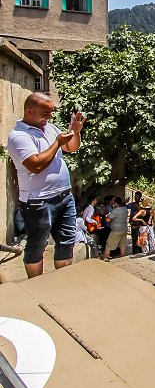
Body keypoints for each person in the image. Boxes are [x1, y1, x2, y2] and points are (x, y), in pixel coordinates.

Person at [6, 91, 85, 278]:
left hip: (64, 196)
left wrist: (76, 132)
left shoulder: (49, 128)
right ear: (29, 111)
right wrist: (57, 143)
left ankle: (62, 281)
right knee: (36, 246)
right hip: (38, 201)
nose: (49, 118)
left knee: (67, 243)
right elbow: (36, 165)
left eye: (51, 113)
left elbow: (72, 147)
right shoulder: (19, 136)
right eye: (45, 113)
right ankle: (37, 286)